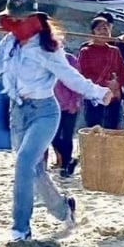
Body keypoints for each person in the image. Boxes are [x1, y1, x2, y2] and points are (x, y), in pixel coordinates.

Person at [0, 0, 113, 242]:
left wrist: (99, 93)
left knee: (23, 164)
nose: (15, 22)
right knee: (35, 170)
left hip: (44, 112)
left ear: (32, 18)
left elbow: (70, 76)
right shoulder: (8, 43)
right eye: (13, 17)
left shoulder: (48, 48)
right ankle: (65, 209)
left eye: (20, 18)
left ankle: (21, 228)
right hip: (17, 113)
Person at [77, 15, 124, 129]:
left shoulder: (115, 51)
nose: (103, 32)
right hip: (95, 97)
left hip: (113, 96)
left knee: (112, 129)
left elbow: (122, 72)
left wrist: (117, 84)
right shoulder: (86, 51)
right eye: (99, 29)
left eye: (105, 29)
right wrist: (105, 84)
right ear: (92, 32)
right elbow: (84, 74)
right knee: (94, 129)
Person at [50, 45, 83, 177]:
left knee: (68, 135)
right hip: (51, 104)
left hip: (69, 103)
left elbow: (77, 81)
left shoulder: (70, 60)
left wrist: (75, 102)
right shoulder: (45, 59)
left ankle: (65, 166)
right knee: (53, 136)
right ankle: (68, 160)